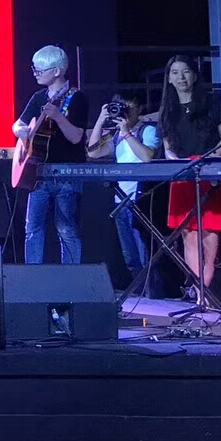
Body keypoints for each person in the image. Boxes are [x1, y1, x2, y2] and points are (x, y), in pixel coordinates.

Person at [158, 55, 221, 297]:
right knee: (188, 233)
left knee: (209, 232)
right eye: (175, 73)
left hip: (210, 169)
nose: (181, 77)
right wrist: (179, 165)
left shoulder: (212, 102)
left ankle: (205, 290)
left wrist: (211, 162)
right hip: (183, 173)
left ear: (194, 75)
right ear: (169, 79)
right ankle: (199, 292)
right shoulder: (168, 110)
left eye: (186, 71)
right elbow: (168, 148)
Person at [13, 45, 90, 264]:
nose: (35, 73)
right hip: (38, 173)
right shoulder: (39, 97)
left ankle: (71, 277)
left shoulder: (77, 98)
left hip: (67, 174)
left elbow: (76, 137)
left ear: (56, 71)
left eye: (39, 70)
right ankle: (33, 276)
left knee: (67, 229)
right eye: (34, 69)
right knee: (32, 228)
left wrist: (58, 117)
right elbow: (18, 124)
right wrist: (21, 131)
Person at [87, 92, 162, 297]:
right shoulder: (115, 134)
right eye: (121, 107)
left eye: (130, 107)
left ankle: (154, 296)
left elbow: (147, 157)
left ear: (139, 109)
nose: (125, 112)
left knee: (145, 254)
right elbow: (93, 152)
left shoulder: (147, 130)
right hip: (120, 201)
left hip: (140, 200)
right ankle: (141, 298)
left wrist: (127, 133)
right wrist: (101, 120)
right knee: (131, 258)